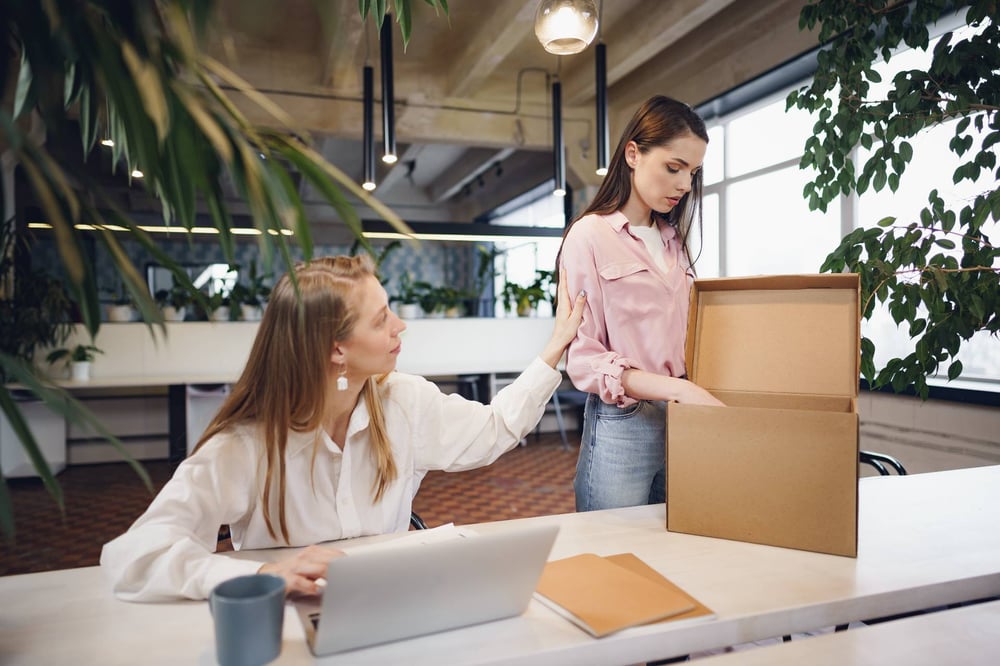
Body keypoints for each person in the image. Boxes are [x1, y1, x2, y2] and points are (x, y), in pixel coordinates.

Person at [101, 255, 586, 602]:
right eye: (381, 320)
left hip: (389, 607)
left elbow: (495, 428)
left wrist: (556, 347)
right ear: (337, 349)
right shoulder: (248, 441)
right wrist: (269, 574)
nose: (400, 326)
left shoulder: (404, 400)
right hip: (292, 623)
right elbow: (134, 555)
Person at [558, 95, 725, 513]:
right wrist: (678, 388)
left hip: (682, 420)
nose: (685, 185)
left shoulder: (674, 243)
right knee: (610, 559)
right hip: (623, 424)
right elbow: (583, 357)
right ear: (633, 153)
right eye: (674, 167)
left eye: (693, 172)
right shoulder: (589, 236)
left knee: (670, 552)